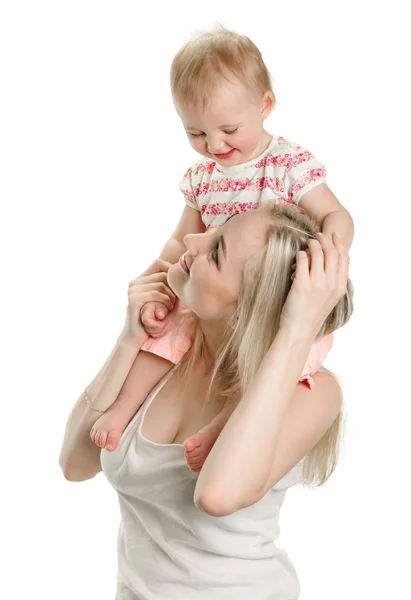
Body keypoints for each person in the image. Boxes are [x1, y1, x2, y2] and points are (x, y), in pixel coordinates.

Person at [89, 27, 354, 471]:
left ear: (265, 105)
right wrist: (156, 272)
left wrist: (328, 251)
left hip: (273, 295)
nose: (214, 145)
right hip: (213, 289)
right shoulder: (203, 178)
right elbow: (181, 238)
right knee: (164, 334)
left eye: (229, 129)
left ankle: (223, 428)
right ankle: (123, 408)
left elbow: (337, 215)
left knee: (282, 361)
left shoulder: (286, 164)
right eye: (196, 132)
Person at [59, 203, 353, 599]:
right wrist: (129, 337)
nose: (193, 240)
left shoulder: (313, 394)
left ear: (250, 303)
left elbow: (217, 495)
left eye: (216, 252)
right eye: (215, 230)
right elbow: (75, 463)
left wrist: (297, 329)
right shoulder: (165, 356)